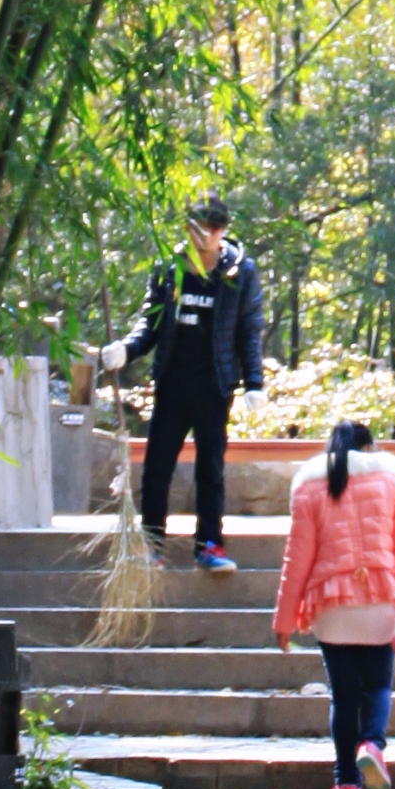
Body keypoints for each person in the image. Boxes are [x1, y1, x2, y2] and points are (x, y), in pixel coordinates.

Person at [101, 195, 264, 575]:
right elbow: (151, 323)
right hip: (173, 381)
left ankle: (209, 544)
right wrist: (126, 349)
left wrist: (254, 382)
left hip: (214, 384)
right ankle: (150, 545)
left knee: (210, 467)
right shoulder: (169, 267)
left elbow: (249, 329)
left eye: (211, 230)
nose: (203, 237)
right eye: (197, 228)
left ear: (223, 231)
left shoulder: (241, 272)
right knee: (157, 465)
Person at [272, 418, 395, 789]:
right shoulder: (392, 482)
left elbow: (297, 559)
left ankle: (345, 785)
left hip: (331, 609)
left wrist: (284, 620)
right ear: (370, 447)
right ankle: (372, 745)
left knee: (343, 698)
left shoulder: (309, 487)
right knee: (377, 687)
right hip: (381, 602)